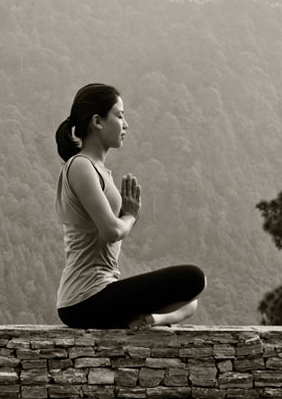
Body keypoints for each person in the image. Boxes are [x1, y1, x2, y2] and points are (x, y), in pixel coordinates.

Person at [53, 83, 205, 329]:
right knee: (193, 278)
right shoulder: (81, 166)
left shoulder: (100, 171)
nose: (126, 124)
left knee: (191, 301)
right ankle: (149, 318)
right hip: (84, 299)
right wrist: (130, 215)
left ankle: (151, 320)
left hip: (103, 292)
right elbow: (111, 231)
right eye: (120, 115)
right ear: (98, 121)